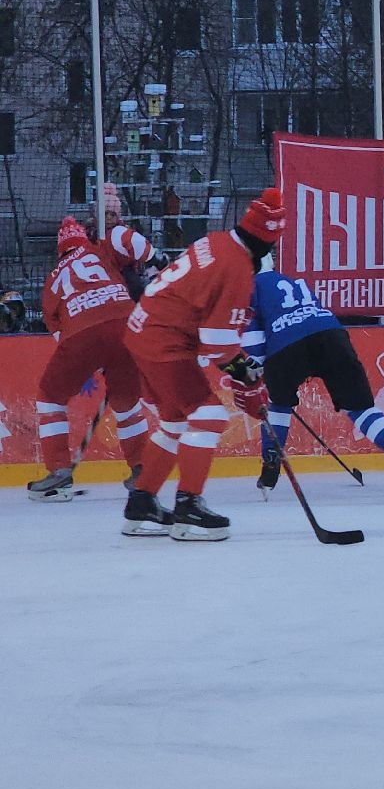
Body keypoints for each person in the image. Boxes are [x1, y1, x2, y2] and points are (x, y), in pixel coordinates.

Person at [121, 189, 286, 540]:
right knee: (208, 415)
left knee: (175, 420)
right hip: (164, 340)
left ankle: (142, 503)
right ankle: (188, 508)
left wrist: (246, 377)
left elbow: (215, 337)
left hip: (142, 331)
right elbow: (218, 342)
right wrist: (250, 383)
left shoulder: (217, 241)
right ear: (267, 240)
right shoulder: (237, 268)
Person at [242, 267, 384, 493]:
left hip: (285, 344)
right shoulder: (295, 281)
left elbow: (253, 340)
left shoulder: (251, 287)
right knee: (362, 409)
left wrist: (256, 371)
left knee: (278, 406)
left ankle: (271, 464)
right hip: (332, 336)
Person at [25, 216, 155, 501]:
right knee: (127, 405)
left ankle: (59, 473)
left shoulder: (52, 280)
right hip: (126, 325)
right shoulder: (100, 250)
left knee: (50, 396)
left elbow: (58, 332)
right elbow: (131, 240)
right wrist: (155, 259)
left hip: (80, 334)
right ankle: (143, 471)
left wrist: (92, 358)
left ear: (60, 250)